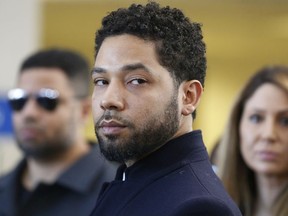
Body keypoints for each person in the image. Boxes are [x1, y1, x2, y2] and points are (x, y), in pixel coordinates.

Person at [89, 2, 242, 216]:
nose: (108, 100)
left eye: (137, 80)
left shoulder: (200, 207)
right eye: (101, 81)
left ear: (188, 96)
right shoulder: (131, 178)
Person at [0, 48, 117, 216]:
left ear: (84, 110)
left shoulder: (117, 191)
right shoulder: (4, 188)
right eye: (20, 100)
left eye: (46, 100)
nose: (28, 113)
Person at [217, 65, 288, 216]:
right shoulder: (214, 205)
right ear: (237, 126)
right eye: (256, 118)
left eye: (285, 121)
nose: (268, 134)